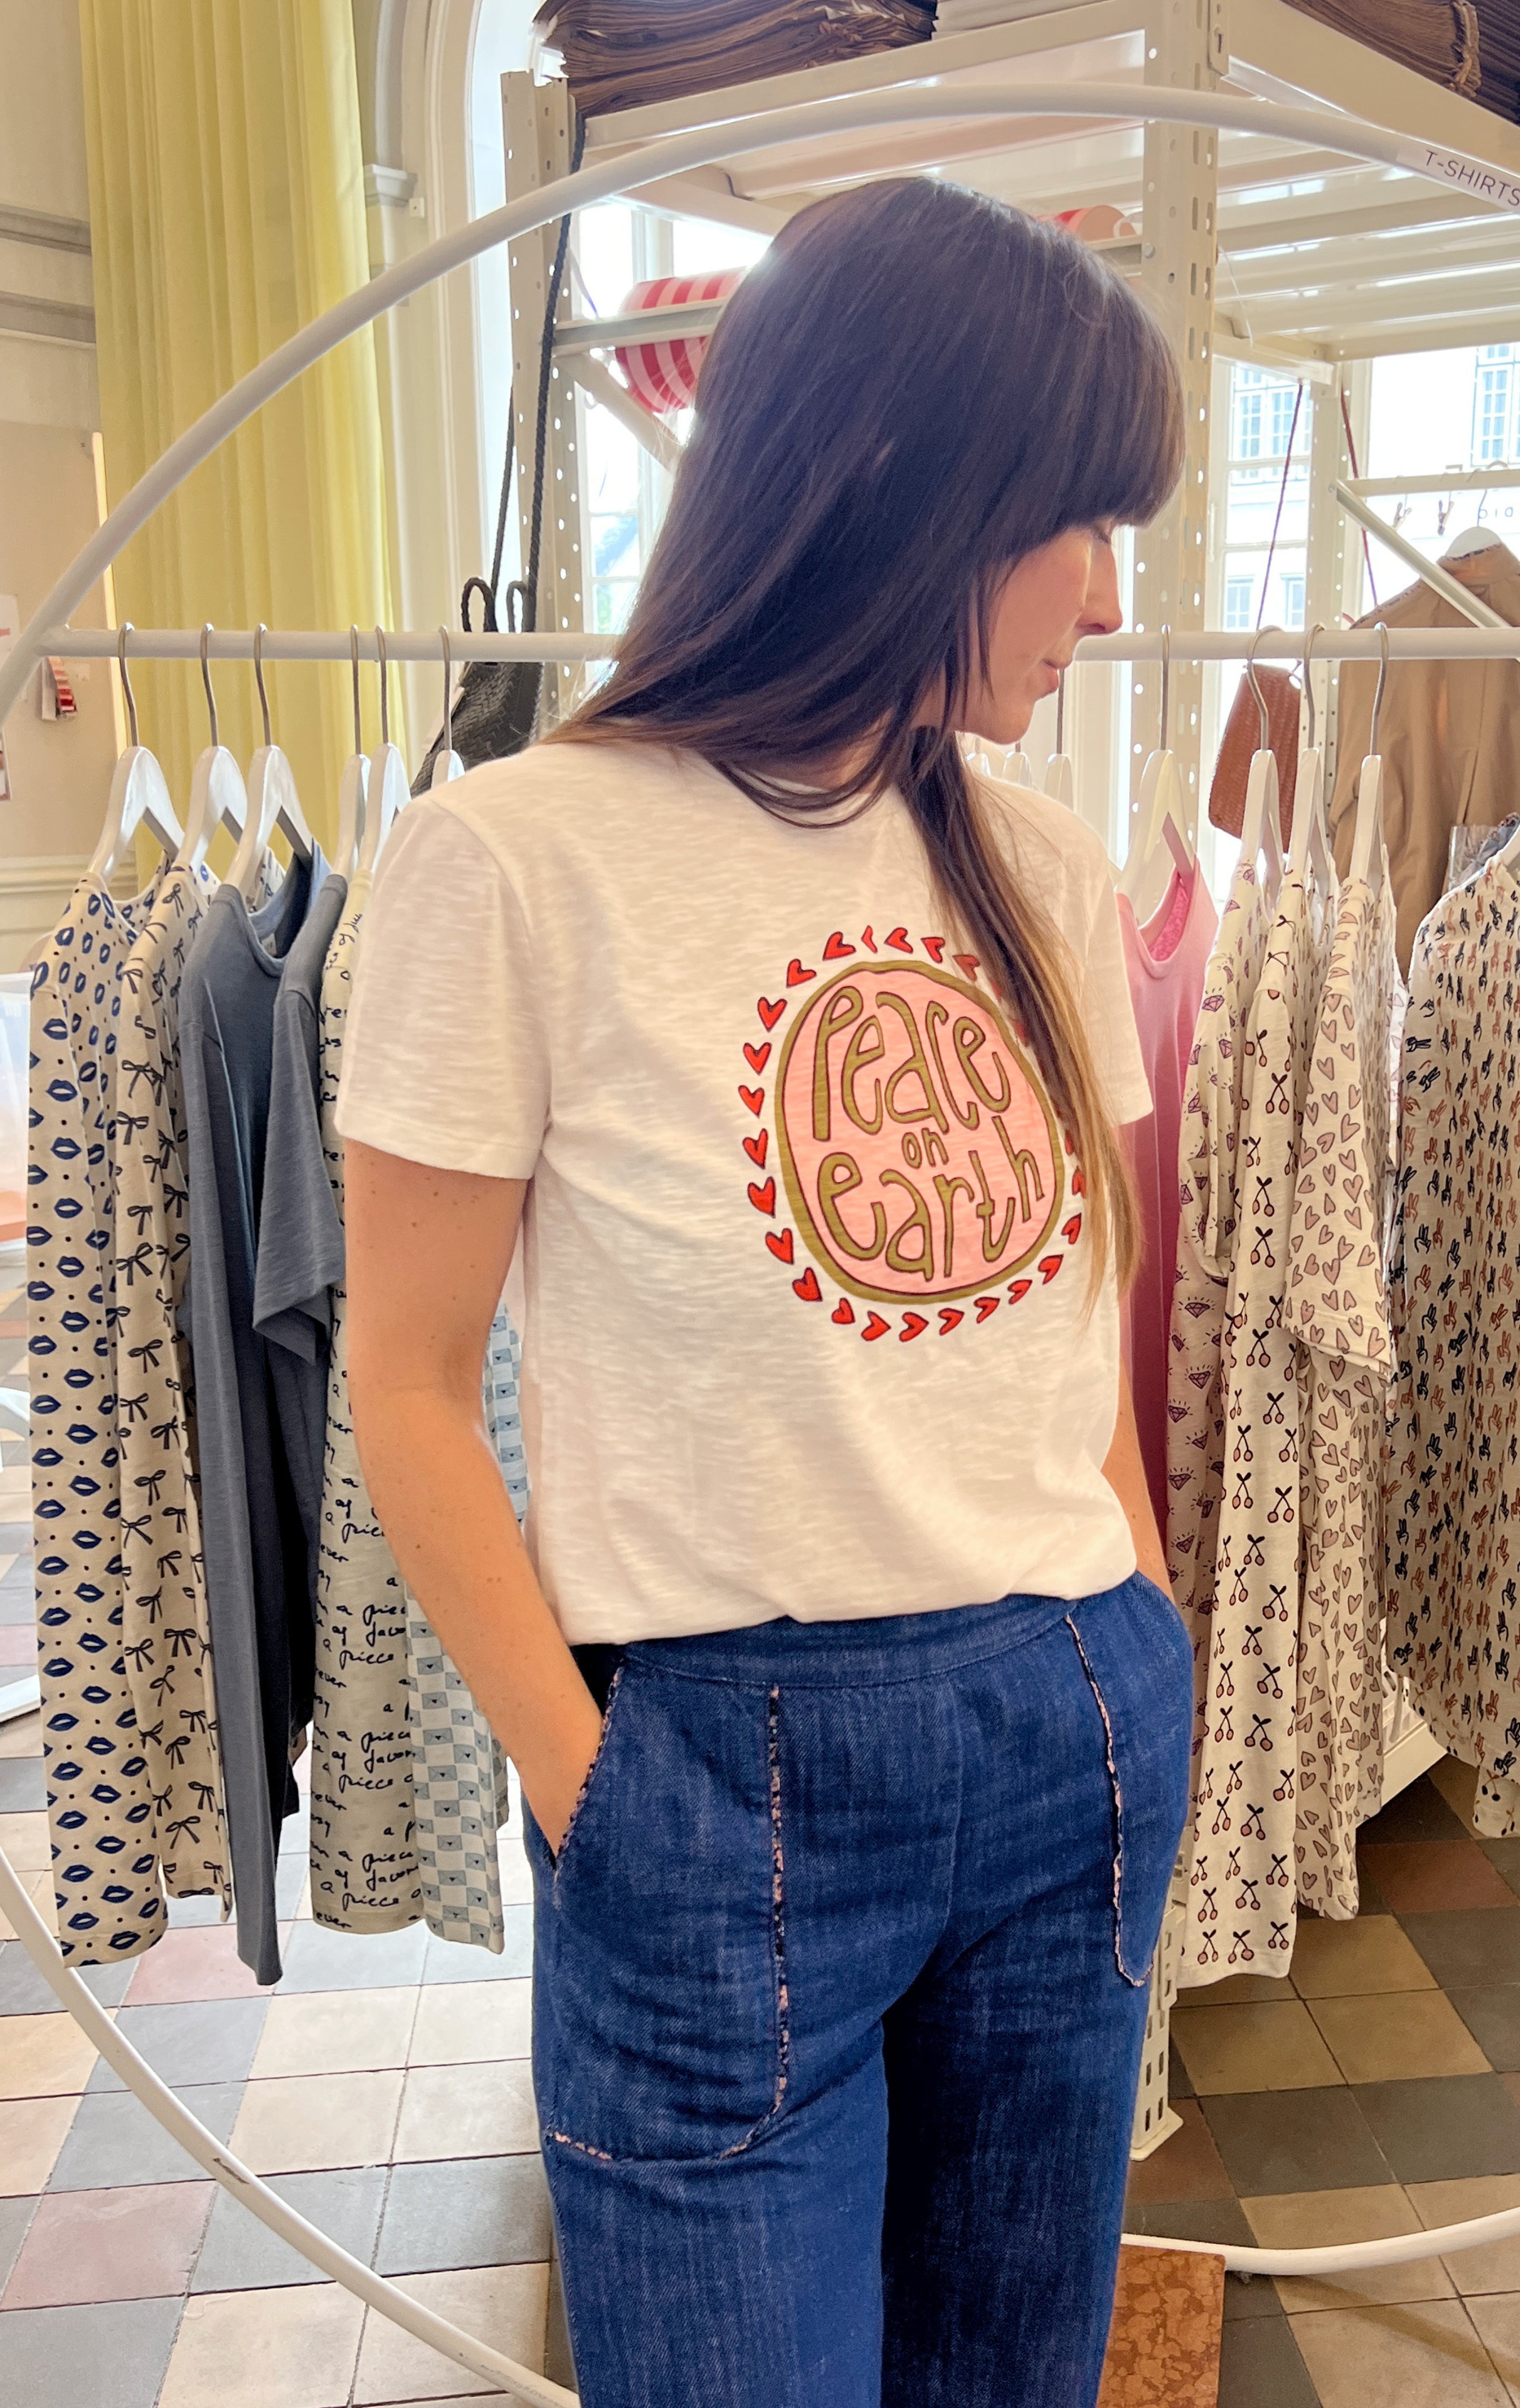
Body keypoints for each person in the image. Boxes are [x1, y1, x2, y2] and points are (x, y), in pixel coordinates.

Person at [338, 173, 1194, 2408]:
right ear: (907, 479)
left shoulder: (1047, 861)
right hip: (718, 1778)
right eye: (1080, 521)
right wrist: (584, 1783)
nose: (1109, 595)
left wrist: (1148, 1615)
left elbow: (1081, 1304)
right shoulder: (514, 859)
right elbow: (407, 1380)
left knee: (1017, 2377)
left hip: (1069, 1714)